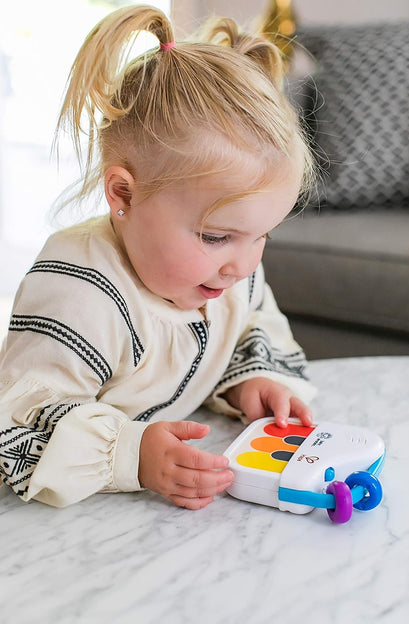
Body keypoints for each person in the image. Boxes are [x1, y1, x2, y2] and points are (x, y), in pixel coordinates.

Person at [0, 5, 317, 509]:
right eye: (216, 236)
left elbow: (251, 322)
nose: (242, 266)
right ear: (124, 195)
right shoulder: (78, 291)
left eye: (263, 236)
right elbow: (20, 421)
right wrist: (131, 453)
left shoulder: (226, 271)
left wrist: (252, 379)